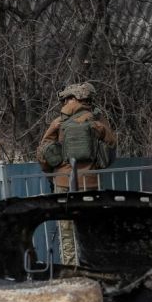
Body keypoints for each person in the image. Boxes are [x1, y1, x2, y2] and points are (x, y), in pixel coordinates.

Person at [35, 82, 117, 264]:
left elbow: (43, 152)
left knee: (66, 230)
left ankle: (71, 270)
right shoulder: (97, 122)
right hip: (91, 183)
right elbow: (111, 146)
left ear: (71, 99)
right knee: (90, 226)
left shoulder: (59, 122)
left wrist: (51, 173)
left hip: (63, 182)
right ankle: (92, 267)